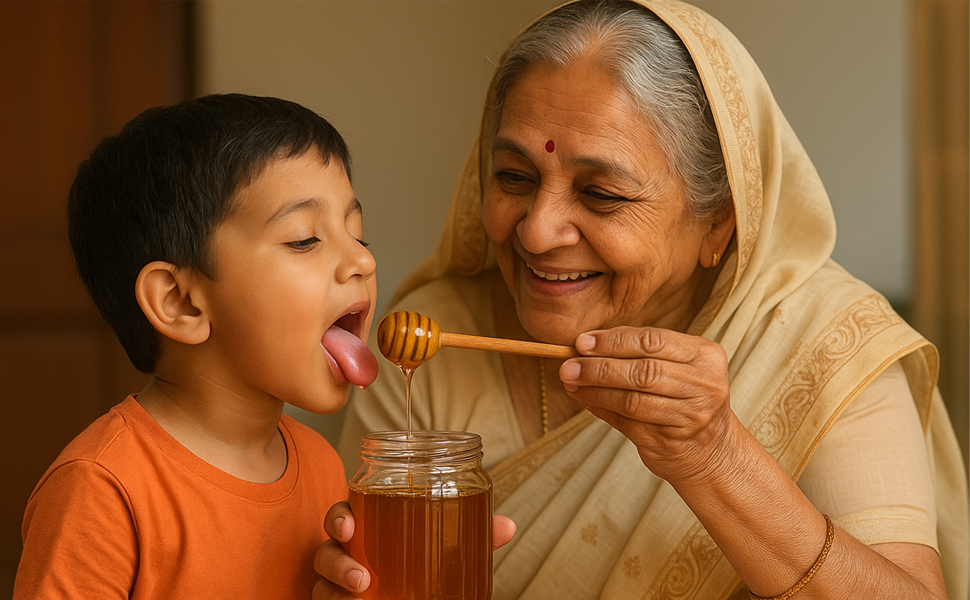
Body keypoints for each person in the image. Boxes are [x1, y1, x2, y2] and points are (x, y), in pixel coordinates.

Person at [316, 1, 969, 599]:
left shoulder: (821, 345)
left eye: (601, 194)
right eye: (514, 176)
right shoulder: (430, 340)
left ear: (719, 222)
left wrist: (717, 459)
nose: (538, 230)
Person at [13, 93, 384, 598]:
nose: (362, 262)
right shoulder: (101, 488)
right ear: (180, 302)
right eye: (303, 239)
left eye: (358, 235)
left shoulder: (322, 465)